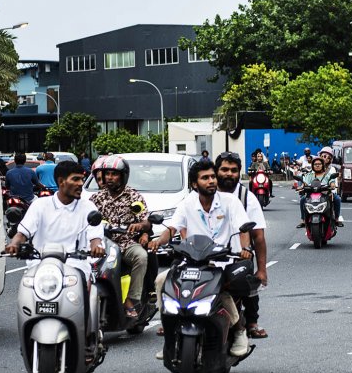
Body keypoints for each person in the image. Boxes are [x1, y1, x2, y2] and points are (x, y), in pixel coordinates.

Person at [148, 160, 253, 358]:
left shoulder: (230, 201)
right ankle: (169, 331)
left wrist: (245, 248)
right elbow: (172, 229)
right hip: (193, 262)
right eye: (205, 178)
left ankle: (239, 330)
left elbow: (243, 228)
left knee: (221, 292)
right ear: (195, 184)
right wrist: (158, 242)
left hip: (222, 262)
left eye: (213, 176)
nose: (211, 181)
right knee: (162, 281)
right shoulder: (187, 204)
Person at [216, 152, 269, 339]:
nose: (229, 174)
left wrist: (261, 270)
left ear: (239, 173)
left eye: (233, 170)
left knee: (248, 278)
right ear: (216, 171)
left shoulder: (248, 198)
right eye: (224, 169)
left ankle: (252, 322)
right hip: (206, 255)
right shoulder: (204, 193)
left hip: (238, 256)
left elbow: (258, 236)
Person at [90, 155, 150, 318]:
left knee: (141, 256)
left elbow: (146, 221)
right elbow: (84, 219)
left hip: (126, 244)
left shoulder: (133, 196)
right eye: (107, 174)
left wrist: (140, 226)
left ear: (123, 176)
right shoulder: (97, 198)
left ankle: (132, 299)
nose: (109, 177)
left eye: (114, 174)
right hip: (102, 245)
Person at [297, 156, 341, 228]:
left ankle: (336, 219)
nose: (317, 165)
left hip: (325, 194)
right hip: (311, 195)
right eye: (315, 164)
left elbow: (332, 182)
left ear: (322, 165)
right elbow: (305, 184)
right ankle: (303, 220)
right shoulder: (309, 175)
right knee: (302, 199)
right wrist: (301, 187)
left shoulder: (327, 175)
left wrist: (333, 185)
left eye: (319, 164)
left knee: (337, 199)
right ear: (312, 166)